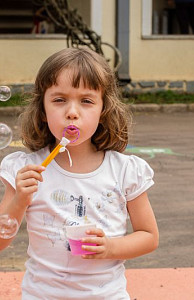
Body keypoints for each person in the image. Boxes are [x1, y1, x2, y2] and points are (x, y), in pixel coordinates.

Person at [0, 48, 159, 299]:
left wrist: (109, 247)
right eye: (59, 99)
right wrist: (20, 199)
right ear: (42, 109)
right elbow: (1, 241)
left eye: (86, 101)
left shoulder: (125, 171)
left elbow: (149, 236)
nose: (72, 112)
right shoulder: (25, 170)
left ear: (103, 109)